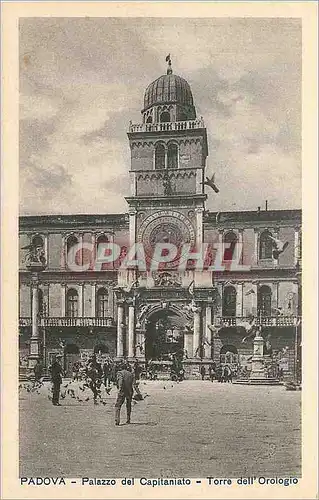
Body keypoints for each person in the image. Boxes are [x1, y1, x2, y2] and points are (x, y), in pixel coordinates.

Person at [115, 361, 134, 426]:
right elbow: (134, 384)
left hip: (123, 391)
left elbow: (120, 382)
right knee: (128, 405)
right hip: (129, 391)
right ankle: (128, 419)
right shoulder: (131, 374)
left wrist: (119, 390)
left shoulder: (120, 373)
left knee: (118, 405)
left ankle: (117, 420)